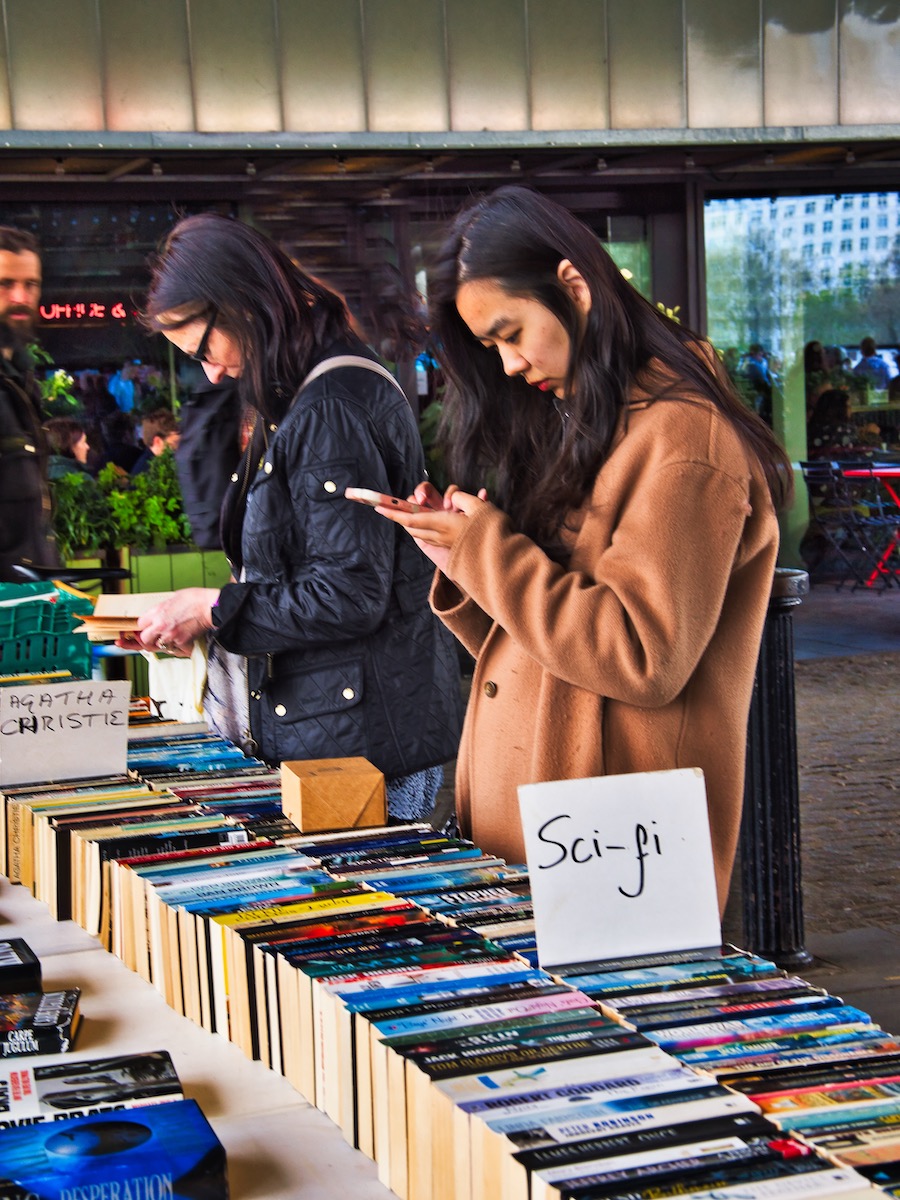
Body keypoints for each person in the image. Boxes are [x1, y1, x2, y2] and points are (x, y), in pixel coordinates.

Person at [375, 186, 793, 910]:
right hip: (563, 824)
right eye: (489, 347)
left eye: (511, 333)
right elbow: (555, 653)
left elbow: (641, 656)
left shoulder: (682, 438)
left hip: (615, 840)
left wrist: (491, 553)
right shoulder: (595, 418)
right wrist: (464, 559)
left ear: (574, 286)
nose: (507, 364)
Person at [125, 213, 463, 820]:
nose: (210, 370)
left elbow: (348, 592)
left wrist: (212, 607)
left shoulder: (326, 407)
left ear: (245, 305)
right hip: (345, 732)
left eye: (204, 348)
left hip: (361, 747)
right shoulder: (308, 393)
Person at [0, 225, 59, 580]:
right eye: (5, 284)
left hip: (27, 603)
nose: (21, 296)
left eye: (30, 284)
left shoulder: (21, 378)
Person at [130, 407, 180, 474]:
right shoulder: (150, 472)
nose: (179, 447)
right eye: (174, 443)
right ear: (158, 441)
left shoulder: (146, 465)